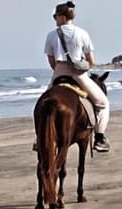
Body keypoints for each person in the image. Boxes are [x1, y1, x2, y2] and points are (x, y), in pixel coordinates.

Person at [44, 1, 112, 152]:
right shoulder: (82, 33)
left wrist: (60, 70)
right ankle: (100, 137)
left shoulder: (51, 35)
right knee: (103, 103)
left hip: (59, 72)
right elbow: (91, 61)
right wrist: (79, 67)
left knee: (43, 103)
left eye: (55, 17)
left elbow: (51, 61)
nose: (55, 20)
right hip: (78, 75)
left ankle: (39, 137)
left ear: (61, 17)